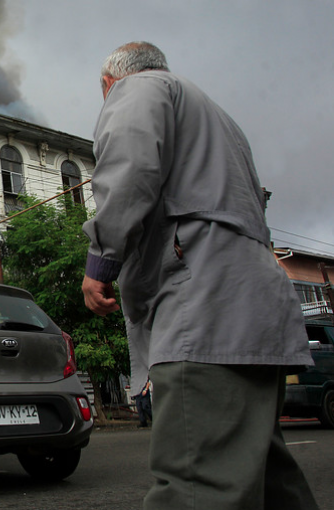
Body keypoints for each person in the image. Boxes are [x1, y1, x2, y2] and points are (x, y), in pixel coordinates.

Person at [80, 41, 318, 509]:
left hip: (204, 309)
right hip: (256, 312)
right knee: (265, 479)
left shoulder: (136, 90)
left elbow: (129, 172)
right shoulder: (220, 120)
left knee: (196, 485)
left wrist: (101, 264)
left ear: (110, 83)